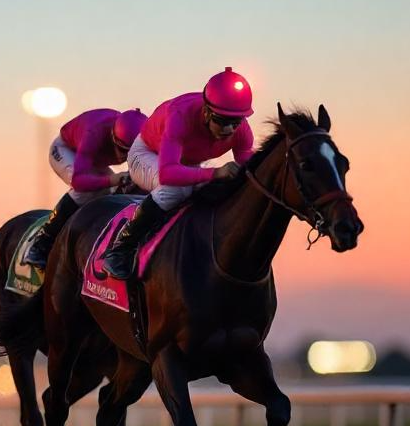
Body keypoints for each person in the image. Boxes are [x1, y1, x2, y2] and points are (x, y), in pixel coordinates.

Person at [102, 67, 255, 280]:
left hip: (184, 163)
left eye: (235, 122)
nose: (229, 129)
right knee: (175, 189)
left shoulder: (242, 131)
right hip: (147, 155)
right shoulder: (180, 116)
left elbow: (250, 170)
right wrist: (216, 173)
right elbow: (168, 174)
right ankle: (120, 249)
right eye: (221, 121)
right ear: (207, 111)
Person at [22, 108, 148, 267]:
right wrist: (112, 179)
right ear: (113, 137)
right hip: (67, 150)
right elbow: (79, 181)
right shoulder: (93, 133)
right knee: (85, 192)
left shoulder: (145, 138)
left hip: (93, 159)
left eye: (132, 153)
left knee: (123, 191)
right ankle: (40, 243)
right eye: (123, 151)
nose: (125, 158)